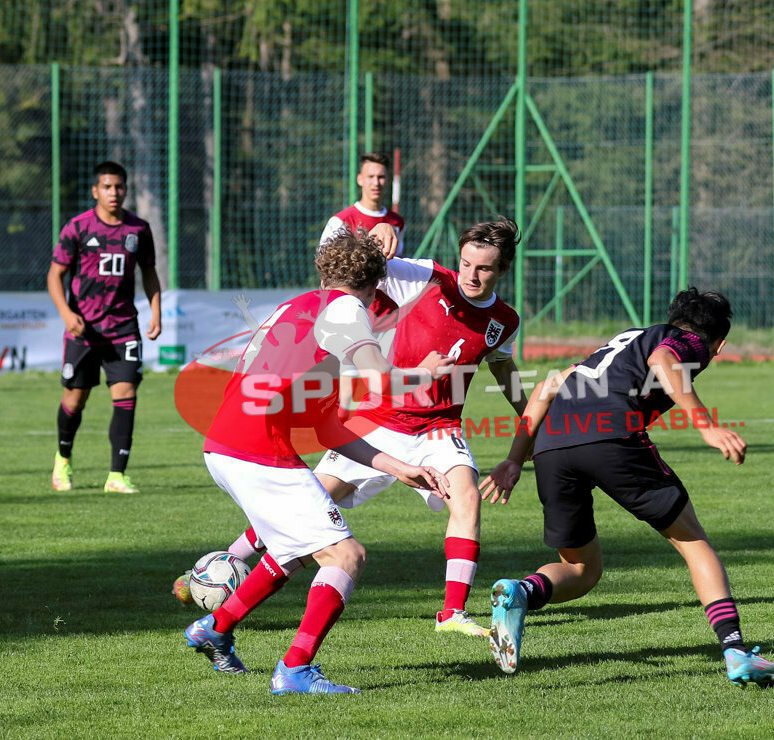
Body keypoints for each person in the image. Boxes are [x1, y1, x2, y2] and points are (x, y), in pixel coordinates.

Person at [177, 218, 527, 640]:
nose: (471, 274)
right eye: (466, 263)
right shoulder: (427, 278)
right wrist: (380, 237)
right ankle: (224, 565)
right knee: (311, 508)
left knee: (466, 496)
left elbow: (505, 372)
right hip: (377, 417)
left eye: (484, 268)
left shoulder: (505, 320)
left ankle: (452, 611)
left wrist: (535, 416)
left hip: (438, 427)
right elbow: (363, 265)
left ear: (503, 269)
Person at [183, 229, 453, 695]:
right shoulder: (347, 310)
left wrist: (396, 467)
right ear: (376, 285)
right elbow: (379, 377)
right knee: (346, 555)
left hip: (227, 445)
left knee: (289, 554)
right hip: (256, 450)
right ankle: (295, 669)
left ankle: (216, 627)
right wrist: (423, 374)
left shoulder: (301, 305)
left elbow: (326, 427)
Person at [479, 288, 774, 687]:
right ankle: (735, 651)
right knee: (693, 542)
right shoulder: (685, 340)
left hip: (553, 443)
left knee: (582, 569)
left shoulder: (627, 339)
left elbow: (545, 389)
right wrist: (706, 425)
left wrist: (514, 458)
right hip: (611, 434)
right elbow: (664, 361)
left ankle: (522, 591)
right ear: (719, 344)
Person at [46, 161, 162, 494]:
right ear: (96, 190)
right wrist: (67, 314)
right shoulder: (78, 228)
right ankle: (63, 459)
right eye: (107, 187)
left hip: (123, 327)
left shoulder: (138, 229)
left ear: (126, 190)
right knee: (75, 399)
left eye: (119, 187)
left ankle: (116, 475)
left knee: (126, 395)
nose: (114, 193)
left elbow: (149, 272)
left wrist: (156, 312)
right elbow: (55, 276)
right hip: (83, 330)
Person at [320, 152, 405, 258]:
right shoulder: (341, 221)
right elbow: (326, 263)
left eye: (381, 177)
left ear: (388, 179)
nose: (376, 183)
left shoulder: (397, 222)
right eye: (370, 176)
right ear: (360, 179)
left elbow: (398, 259)